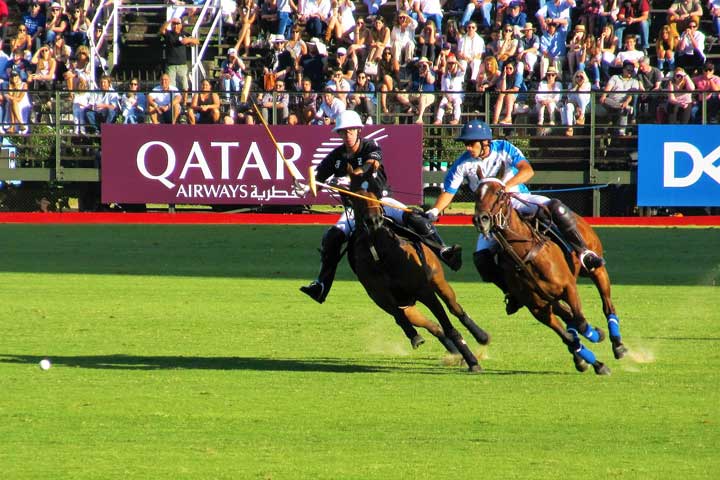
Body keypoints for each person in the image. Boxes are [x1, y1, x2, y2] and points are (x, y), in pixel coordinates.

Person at [425, 119, 605, 314]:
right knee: (481, 260)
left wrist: (504, 187)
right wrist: (434, 211)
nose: (468, 147)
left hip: (517, 197)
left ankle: (584, 253)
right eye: (466, 144)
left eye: (471, 143)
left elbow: (527, 170)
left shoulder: (503, 148)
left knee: (555, 208)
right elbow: (449, 192)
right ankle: (513, 293)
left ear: (485, 142)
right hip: (491, 214)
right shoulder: (463, 163)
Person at [297, 110, 462, 304]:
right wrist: (304, 187)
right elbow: (316, 179)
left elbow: (371, 165)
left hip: (381, 202)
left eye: (350, 130)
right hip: (354, 211)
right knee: (331, 237)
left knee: (417, 219)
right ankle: (321, 285)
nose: (347, 134)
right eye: (343, 132)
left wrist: (351, 177)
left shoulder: (370, 145)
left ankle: (443, 251)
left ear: (358, 130)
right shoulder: (336, 157)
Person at [599, 60, 641, 135]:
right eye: (628, 70)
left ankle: (621, 131)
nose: (630, 72)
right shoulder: (615, 77)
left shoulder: (634, 81)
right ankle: (625, 107)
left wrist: (626, 102)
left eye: (631, 71)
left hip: (624, 102)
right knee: (605, 99)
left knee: (623, 108)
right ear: (623, 69)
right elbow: (608, 88)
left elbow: (631, 95)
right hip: (611, 101)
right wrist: (603, 96)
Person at [160, 17, 200, 91]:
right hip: (171, 65)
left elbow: (197, 41)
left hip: (182, 65)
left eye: (177, 24)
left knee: (184, 86)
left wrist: (189, 39)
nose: (175, 26)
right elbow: (162, 30)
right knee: (171, 86)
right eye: (174, 24)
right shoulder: (169, 34)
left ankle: (184, 102)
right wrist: (170, 20)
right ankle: (172, 101)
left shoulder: (184, 34)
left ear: (181, 25)